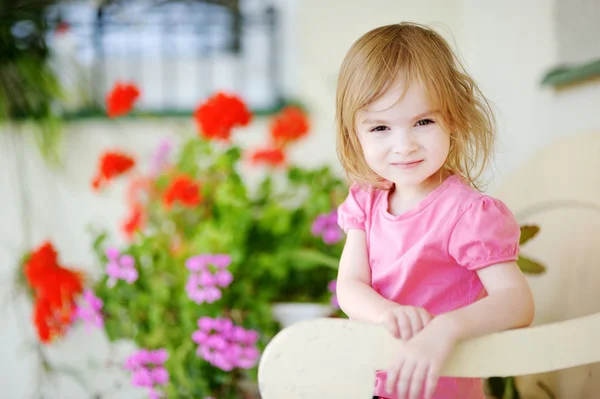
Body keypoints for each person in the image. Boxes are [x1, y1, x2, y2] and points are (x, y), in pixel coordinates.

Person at [334, 22, 535, 399]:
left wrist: (446, 330)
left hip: (442, 387)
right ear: (354, 135)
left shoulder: (466, 214)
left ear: (452, 120)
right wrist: (386, 314)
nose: (404, 145)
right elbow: (350, 285)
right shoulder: (367, 200)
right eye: (380, 128)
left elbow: (517, 301)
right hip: (371, 382)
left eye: (423, 122)